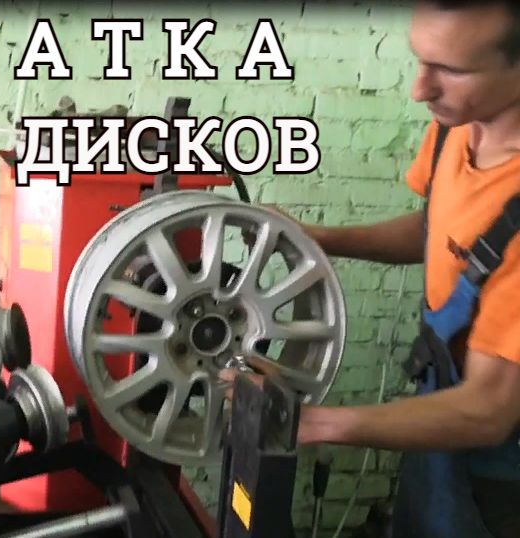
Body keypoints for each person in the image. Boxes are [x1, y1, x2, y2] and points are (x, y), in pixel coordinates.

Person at [219, 1, 520, 536]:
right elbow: (441, 230)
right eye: (420, 59)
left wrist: (314, 422)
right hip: (440, 416)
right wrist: (322, 240)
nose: (420, 89)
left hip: (501, 466)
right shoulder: (457, 124)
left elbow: (489, 409)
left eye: (451, 69)